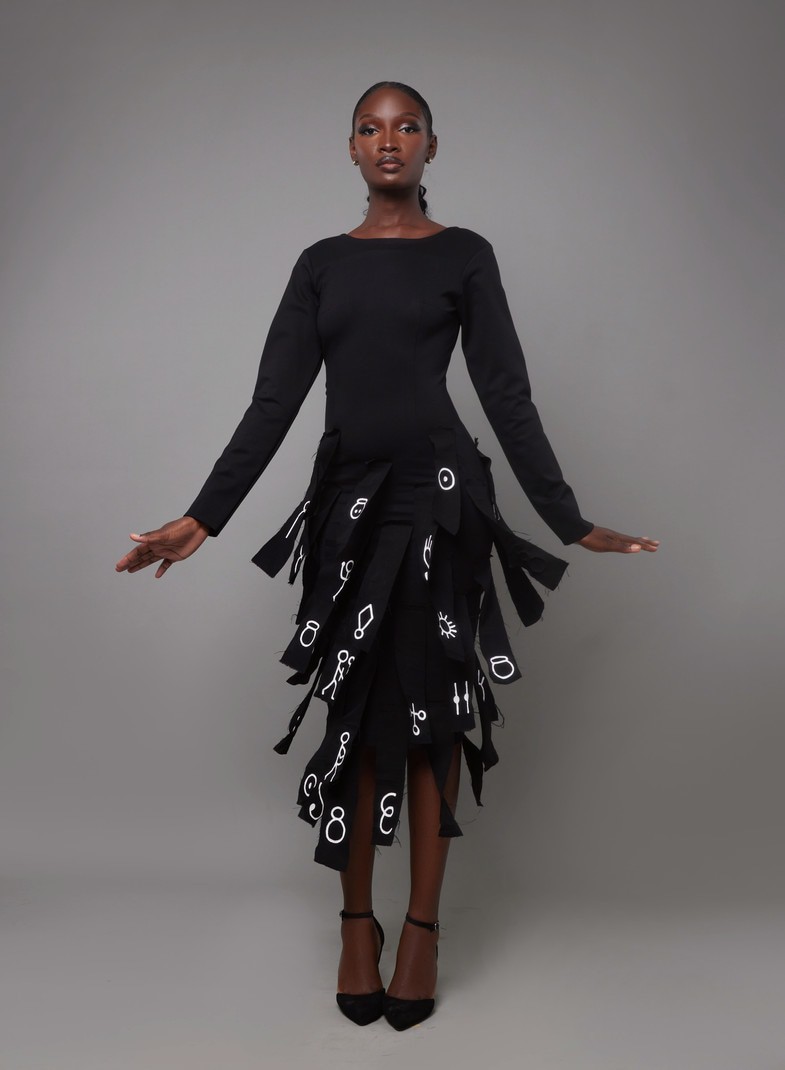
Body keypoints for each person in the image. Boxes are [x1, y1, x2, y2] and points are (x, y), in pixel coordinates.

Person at [115, 80, 659, 1030]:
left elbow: (505, 393)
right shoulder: (321, 264)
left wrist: (566, 521)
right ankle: (355, 925)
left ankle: (421, 930)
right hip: (347, 510)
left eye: (407, 126)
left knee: (434, 715)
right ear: (351, 149)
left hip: (439, 502)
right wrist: (201, 520)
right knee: (359, 718)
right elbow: (273, 402)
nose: (389, 141)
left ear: (432, 146)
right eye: (370, 128)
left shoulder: (463, 254)